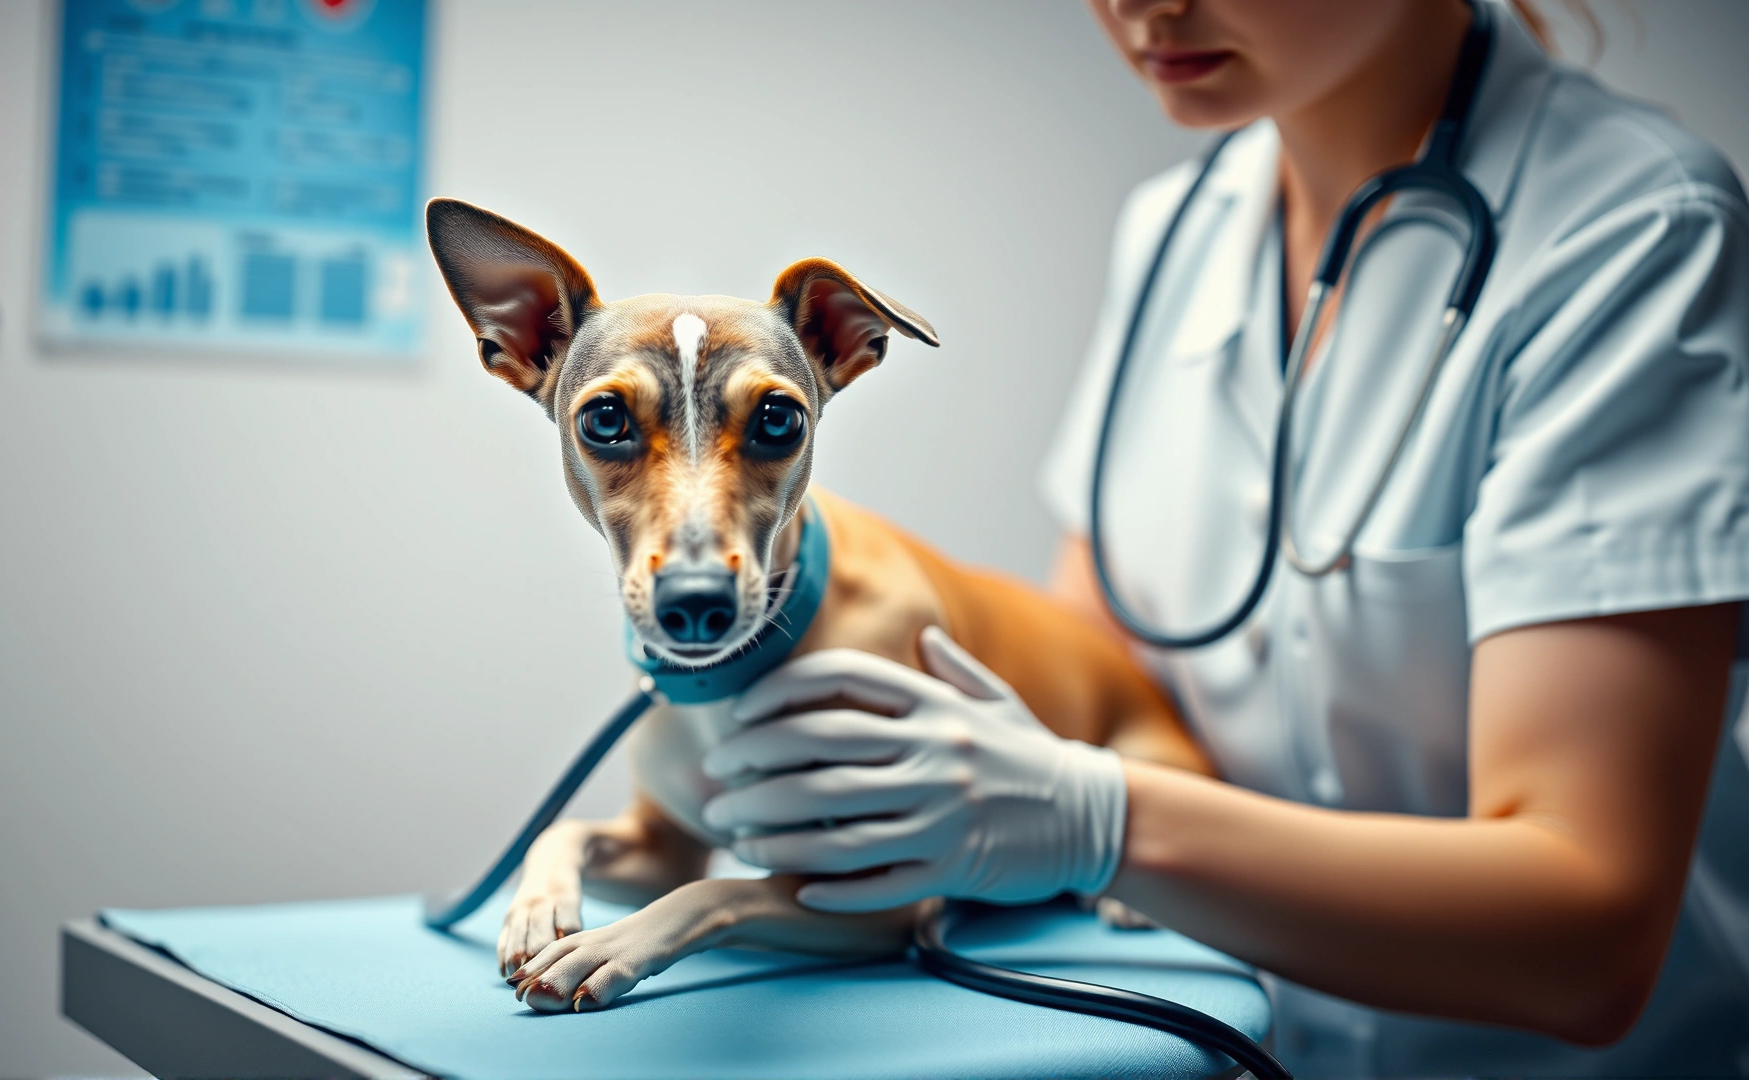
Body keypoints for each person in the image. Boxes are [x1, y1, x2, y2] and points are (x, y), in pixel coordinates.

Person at [698, 0, 1749, 1074]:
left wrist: (1094, 821)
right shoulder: (1177, 229)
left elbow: (1587, 942)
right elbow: (1095, 674)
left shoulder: (1634, 233)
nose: (1144, 8)